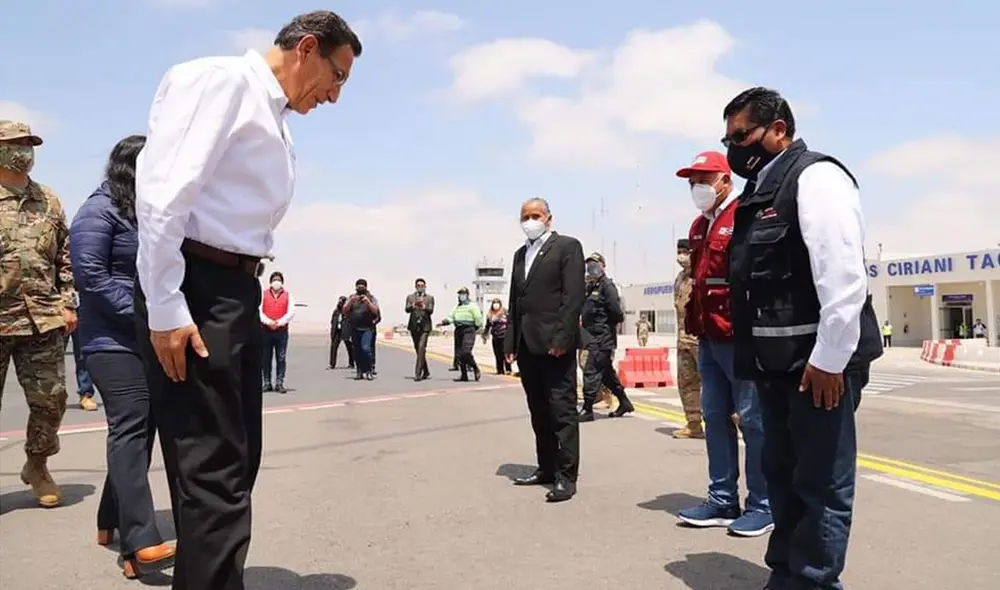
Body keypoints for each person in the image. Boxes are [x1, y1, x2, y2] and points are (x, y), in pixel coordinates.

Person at [132, 12, 362, 590]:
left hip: (233, 290)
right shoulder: (221, 82)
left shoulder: (274, 117)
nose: (334, 97)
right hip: (197, 286)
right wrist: (164, 306)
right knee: (216, 474)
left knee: (234, 465)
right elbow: (163, 196)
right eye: (336, 77)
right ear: (307, 48)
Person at [724, 87, 883, 590]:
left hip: (818, 368)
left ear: (778, 130)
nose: (735, 149)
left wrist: (831, 360)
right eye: (728, 138)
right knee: (782, 477)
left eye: (742, 135)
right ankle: (787, 575)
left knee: (820, 485)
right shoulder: (759, 192)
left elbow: (843, 277)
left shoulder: (816, 177)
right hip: (776, 366)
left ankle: (814, 581)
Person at [69, 134, 177, 579]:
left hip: (143, 338)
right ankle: (141, 540)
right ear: (131, 169)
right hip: (109, 343)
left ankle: (107, 519)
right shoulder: (96, 212)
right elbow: (91, 277)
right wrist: (146, 315)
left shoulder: (143, 214)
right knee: (131, 427)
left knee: (140, 429)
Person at [675, 150, 772, 538]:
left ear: (724, 181)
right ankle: (721, 498)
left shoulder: (744, 215)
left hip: (739, 336)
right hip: (707, 336)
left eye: (702, 179)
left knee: (753, 420)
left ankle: (764, 505)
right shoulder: (701, 224)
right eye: (691, 182)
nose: (696, 188)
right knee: (714, 416)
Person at [0, 119, 76, 508]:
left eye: (29, 145)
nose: (24, 152)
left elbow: (66, 256)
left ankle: (37, 464)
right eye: (16, 144)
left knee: (52, 399)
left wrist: (68, 301)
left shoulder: (48, 200)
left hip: (42, 318)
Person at [504, 198, 585, 503]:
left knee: (561, 410)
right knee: (538, 410)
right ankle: (546, 467)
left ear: (549, 218)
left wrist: (562, 338)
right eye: (525, 216)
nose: (530, 220)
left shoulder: (567, 247)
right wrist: (510, 342)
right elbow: (515, 302)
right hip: (527, 345)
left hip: (554, 345)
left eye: (536, 215)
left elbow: (573, 296)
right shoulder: (519, 255)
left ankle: (567, 476)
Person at [579, 252, 633, 421]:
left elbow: (616, 313)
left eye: (595, 264)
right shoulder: (590, 287)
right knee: (606, 374)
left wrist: (606, 327)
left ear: (603, 266)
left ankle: (587, 409)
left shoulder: (607, 287)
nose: (591, 268)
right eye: (589, 265)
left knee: (591, 371)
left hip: (602, 338)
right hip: (591, 337)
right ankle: (624, 402)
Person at [673, 239, 703, 439]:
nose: (682, 255)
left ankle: (733, 422)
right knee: (686, 382)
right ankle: (693, 423)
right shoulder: (680, 278)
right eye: (680, 251)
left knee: (715, 384)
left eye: (686, 251)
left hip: (702, 340)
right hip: (683, 339)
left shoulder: (702, 273)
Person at [260, 271, 296, 393]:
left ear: (282, 282)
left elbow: (291, 312)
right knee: (266, 358)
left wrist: (279, 323)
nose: (277, 282)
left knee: (281, 358)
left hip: (281, 332)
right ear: (271, 281)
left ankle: (279, 383)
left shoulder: (288, 295)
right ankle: (267, 383)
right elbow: (259, 311)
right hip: (265, 330)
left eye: (279, 280)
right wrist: (269, 322)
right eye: (274, 279)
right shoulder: (263, 294)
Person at [439, 287, 483, 381]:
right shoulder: (457, 307)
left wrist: (476, 326)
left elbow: (478, 317)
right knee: (459, 354)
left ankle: (475, 367)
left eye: (463, 293)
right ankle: (464, 375)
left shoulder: (472, 306)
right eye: (460, 294)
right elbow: (451, 317)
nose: (461, 296)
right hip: (458, 329)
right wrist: (444, 322)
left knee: (466, 351)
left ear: (467, 295)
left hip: (469, 329)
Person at [342, 278, 379, 380]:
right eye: (358, 286)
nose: (360, 287)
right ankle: (359, 371)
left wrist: (368, 303)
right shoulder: (352, 297)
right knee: (357, 351)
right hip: (354, 328)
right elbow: (344, 311)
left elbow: (376, 311)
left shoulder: (371, 298)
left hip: (367, 328)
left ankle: (369, 370)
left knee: (366, 349)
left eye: (362, 286)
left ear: (366, 287)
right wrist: (350, 302)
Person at [67, 310, 98, 411]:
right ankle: (52, 396)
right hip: (56, 306)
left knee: (83, 354)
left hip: (80, 307)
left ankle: (86, 394)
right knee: (53, 356)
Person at [405, 278, 435, 381]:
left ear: (425, 286)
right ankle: (426, 370)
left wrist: (424, 306)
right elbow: (407, 309)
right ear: (415, 286)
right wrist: (413, 305)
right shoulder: (410, 297)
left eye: (422, 285)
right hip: (414, 326)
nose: (420, 287)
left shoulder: (430, 298)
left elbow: (431, 310)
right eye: (418, 285)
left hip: (425, 327)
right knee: (418, 350)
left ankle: (418, 373)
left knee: (422, 347)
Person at [484, 298, 512, 375]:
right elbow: (487, 326)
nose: (495, 305)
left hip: (504, 335)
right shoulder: (490, 314)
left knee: (505, 353)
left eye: (497, 303)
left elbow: (510, 323)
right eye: (494, 303)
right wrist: (485, 336)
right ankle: (500, 370)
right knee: (497, 354)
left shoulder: (505, 312)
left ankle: (508, 369)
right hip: (495, 336)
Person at [328, 295, 352, 368]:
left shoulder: (348, 311)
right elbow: (332, 321)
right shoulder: (336, 311)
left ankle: (351, 363)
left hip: (345, 331)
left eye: (342, 301)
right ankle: (332, 364)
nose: (340, 302)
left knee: (350, 348)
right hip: (337, 331)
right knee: (333, 347)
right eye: (340, 301)